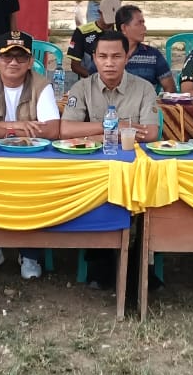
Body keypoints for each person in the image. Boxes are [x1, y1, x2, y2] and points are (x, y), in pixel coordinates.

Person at [61, 30, 160, 289]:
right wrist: (118, 128)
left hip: (133, 167)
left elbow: (150, 133)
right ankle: (99, 260)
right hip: (95, 167)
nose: (109, 63)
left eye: (116, 56)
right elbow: (66, 130)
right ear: (94, 57)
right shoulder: (82, 87)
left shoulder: (144, 88)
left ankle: (140, 265)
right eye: (102, 56)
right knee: (94, 191)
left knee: (150, 195)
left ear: (127, 57)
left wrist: (94, 132)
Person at [0, 31, 60, 280]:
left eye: (20, 57)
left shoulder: (42, 86)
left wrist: (3, 130)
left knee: (35, 193)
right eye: (7, 57)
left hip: (32, 161)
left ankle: (30, 254)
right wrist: (15, 127)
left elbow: (52, 129)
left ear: (30, 62)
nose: (13, 62)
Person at [116, 4, 174, 93]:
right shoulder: (107, 54)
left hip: (146, 101)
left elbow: (170, 88)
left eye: (143, 23)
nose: (144, 28)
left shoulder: (153, 55)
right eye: (139, 23)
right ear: (124, 28)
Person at [67, 0, 121, 78]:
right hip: (90, 80)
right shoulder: (82, 32)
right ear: (99, 12)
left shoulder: (121, 32)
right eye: (108, 17)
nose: (110, 22)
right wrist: (94, 78)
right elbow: (75, 65)